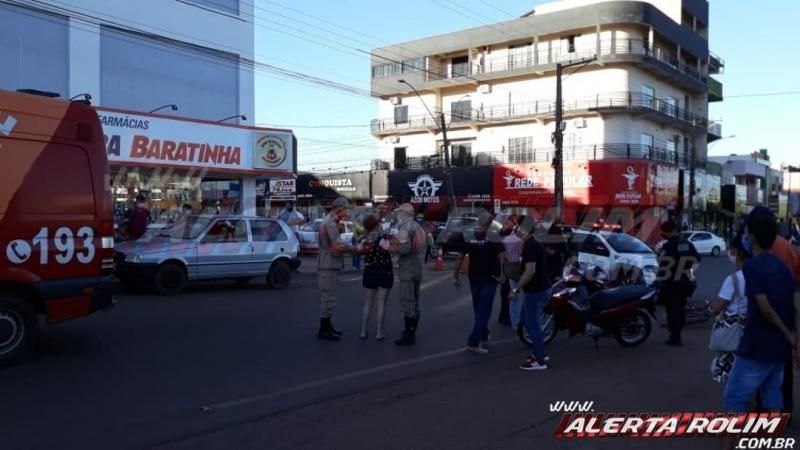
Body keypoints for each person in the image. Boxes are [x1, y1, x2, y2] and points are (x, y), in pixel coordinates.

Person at [722, 210, 796, 450]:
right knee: (773, 398)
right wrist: (792, 340)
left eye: (746, 231)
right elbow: (794, 307)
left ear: (751, 236)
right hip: (778, 351)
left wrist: (788, 334)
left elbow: (764, 308)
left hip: (756, 347)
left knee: (733, 401)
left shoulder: (753, 268)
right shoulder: (783, 268)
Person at [747, 207, 800, 419]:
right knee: (783, 368)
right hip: (787, 314)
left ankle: (766, 411)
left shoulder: (764, 250)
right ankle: (784, 409)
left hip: (767, 317)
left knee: (762, 369)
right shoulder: (788, 247)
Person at [453, 214, 504, 354]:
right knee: (485, 310)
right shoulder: (494, 237)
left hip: (474, 278)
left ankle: (483, 333)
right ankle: (473, 341)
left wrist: (455, 276)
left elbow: (459, 258)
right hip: (490, 278)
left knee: (478, 309)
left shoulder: (469, 236)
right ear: (489, 224)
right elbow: (502, 259)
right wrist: (502, 276)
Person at [509, 217, 552, 371]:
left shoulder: (531, 245)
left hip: (536, 291)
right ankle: (540, 353)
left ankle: (540, 360)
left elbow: (530, 271)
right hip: (537, 290)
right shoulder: (532, 244)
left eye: (517, 227)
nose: (515, 230)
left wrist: (515, 289)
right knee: (525, 320)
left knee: (533, 325)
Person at [710, 234, 751, 385]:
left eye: (731, 250)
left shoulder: (734, 279)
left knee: (731, 374)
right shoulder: (757, 274)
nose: (729, 253)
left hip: (733, 330)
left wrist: (711, 309)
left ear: (739, 253)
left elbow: (718, 306)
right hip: (751, 327)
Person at [657, 220, 701, 347]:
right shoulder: (687, 244)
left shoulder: (669, 246)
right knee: (680, 309)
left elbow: (662, 264)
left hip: (671, 283)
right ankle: (677, 335)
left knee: (672, 310)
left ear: (668, 231)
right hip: (684, 281)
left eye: (663, 232)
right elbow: (697, 259)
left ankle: (675, 338)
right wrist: (686, 268)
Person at [316, 197, 353, 341]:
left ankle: (328, 327)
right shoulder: (330, 223)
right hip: (328, 264)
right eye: (345, 209)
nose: (346, 212)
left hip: (327, 263)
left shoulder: (332, 221)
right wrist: (355, 249)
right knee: (328, 299)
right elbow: (337, 246)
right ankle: (324, 330)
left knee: (329, 297)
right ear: (339, 208)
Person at [391, 203, 427, 346]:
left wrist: (391, 248)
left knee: (407, 300)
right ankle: (412, 330)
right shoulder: (418, 226)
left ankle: (409, 334)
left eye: (399, 213)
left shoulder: (405, 228)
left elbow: (404, 249)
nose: (398, 215)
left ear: (404, 214)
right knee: (416, 299)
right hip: (417, 267)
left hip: (407, 268)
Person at [357, 216, 393, 340]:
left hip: (369, 271)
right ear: (376, 226)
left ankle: (363, 330)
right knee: (381, 303)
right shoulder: (381, 239)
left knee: (368, 303)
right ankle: (379, 332)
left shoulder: (364, 239)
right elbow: (389, 249)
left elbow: (359, 250)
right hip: (384, 271)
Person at [498, 215, 523, 328]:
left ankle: (507, 317)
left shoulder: (510, 238)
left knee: (509, 294)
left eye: (507, 224)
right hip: (510, 269)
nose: (504, 226)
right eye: (504, 224)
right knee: (508, 295)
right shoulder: (505, 238)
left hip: (510, 269)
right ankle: (508, 318)